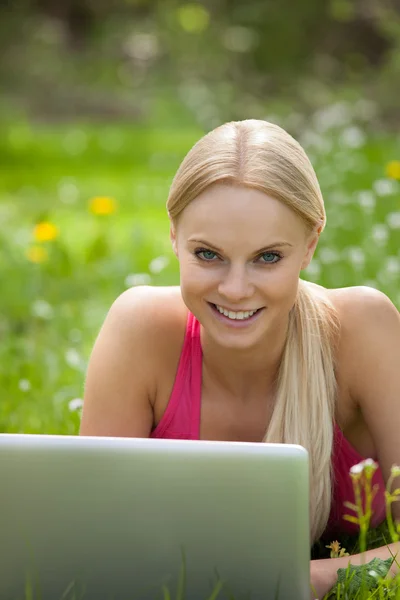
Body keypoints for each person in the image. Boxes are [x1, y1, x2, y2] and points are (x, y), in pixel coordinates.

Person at [79, 119, 400, 598]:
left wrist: (307, 581)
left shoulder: (361, 330)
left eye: (267, 257)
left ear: (310, 244)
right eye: (208, 254)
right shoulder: (140, 330)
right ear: (173, 237)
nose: (235, 289)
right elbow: (89, 537)